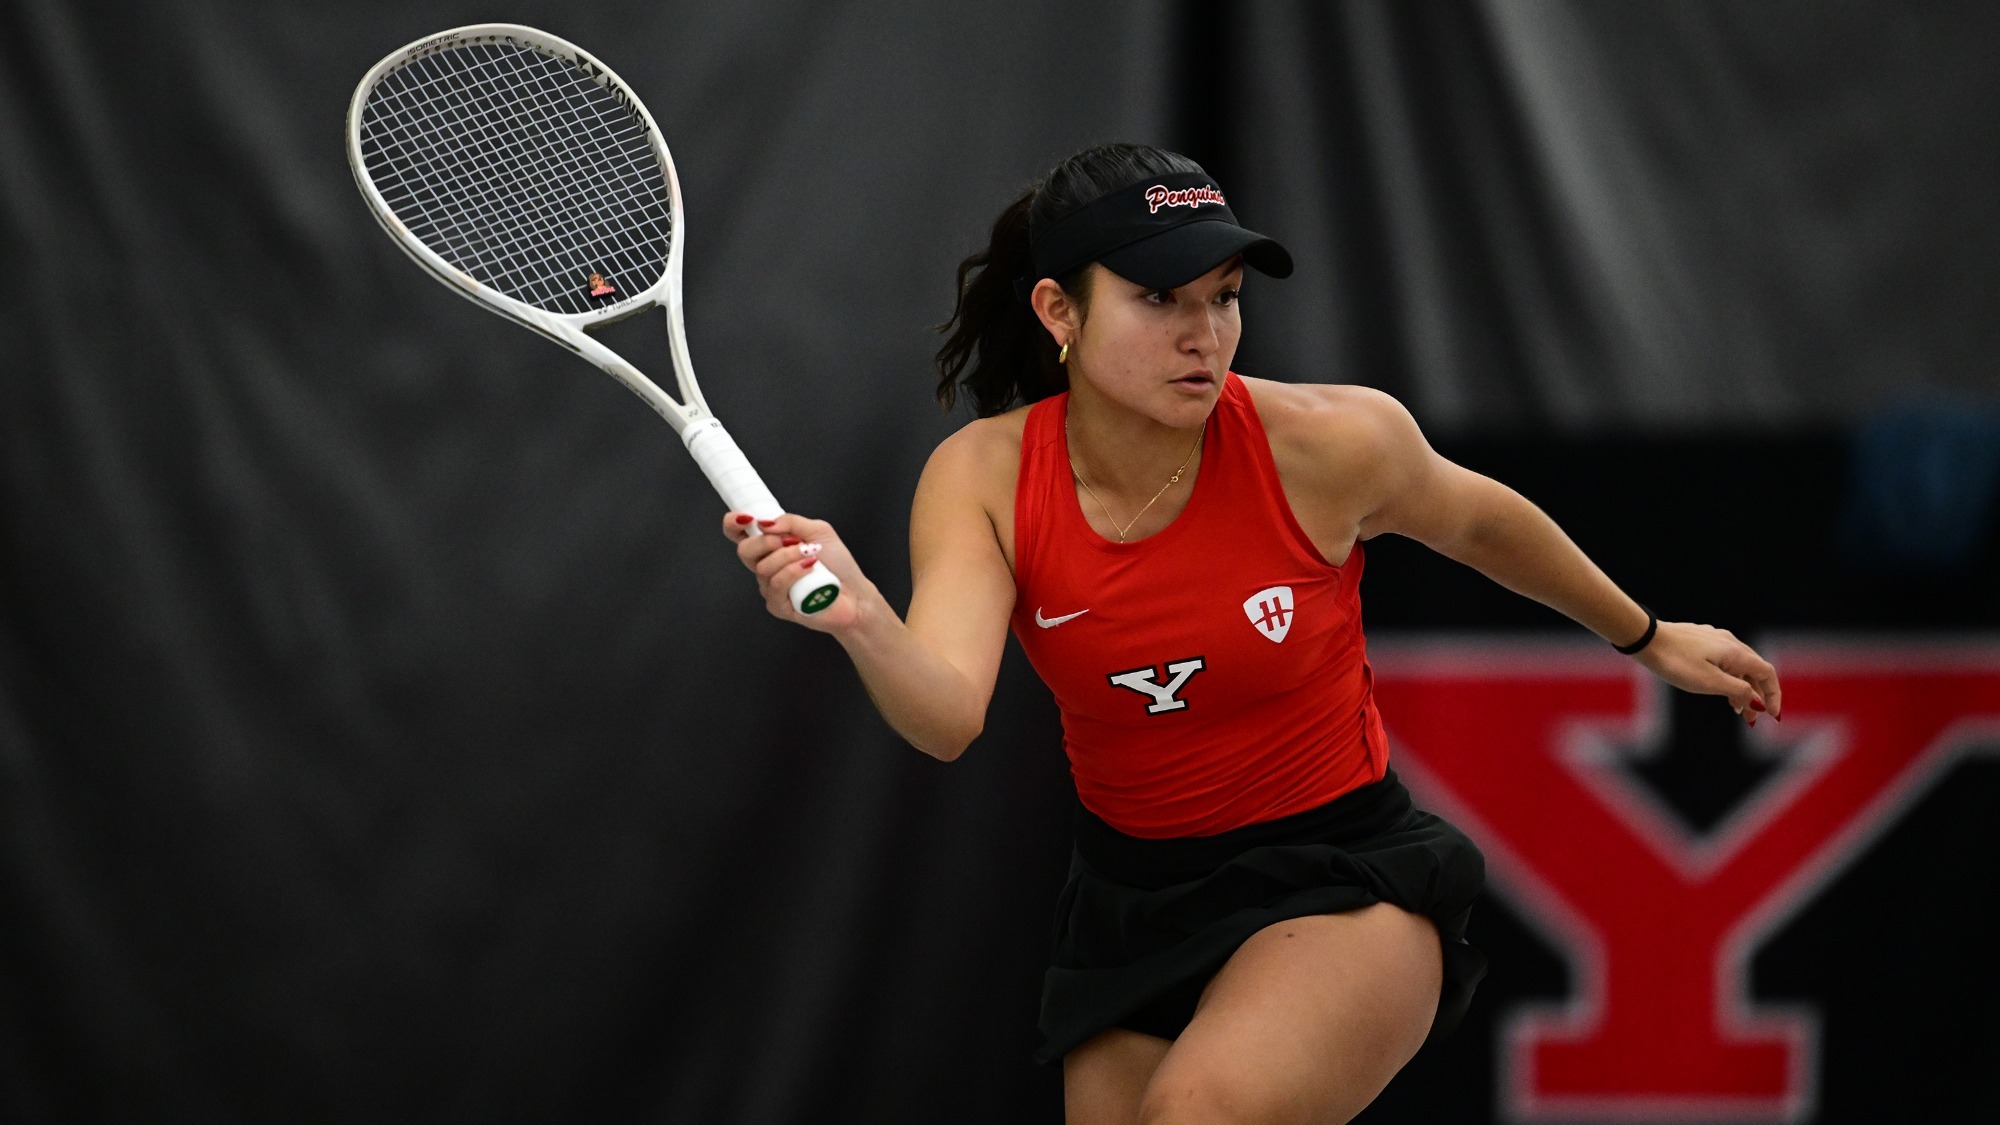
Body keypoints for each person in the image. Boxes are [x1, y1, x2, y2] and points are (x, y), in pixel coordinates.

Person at [722, 142, 1782, 1125]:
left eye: (1222, 298)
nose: (1205, 333)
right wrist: (861, 617)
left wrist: (1644, 636)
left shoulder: (1327, 442)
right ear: (1059, 310)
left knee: (1194, 1116)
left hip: (1341, 877)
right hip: (1130, 906)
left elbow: (1478, 521)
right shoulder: (982, 479)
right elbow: (947, 716)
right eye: (1157, 300)